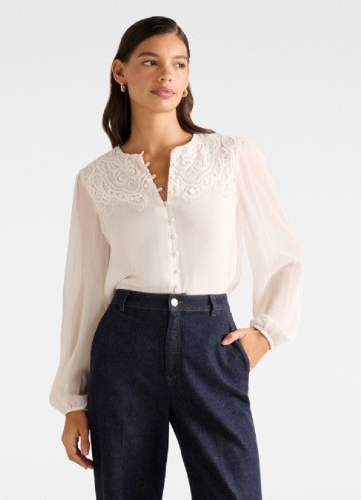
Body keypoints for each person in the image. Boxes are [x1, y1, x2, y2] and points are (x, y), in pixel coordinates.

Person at [49, 15, 304, 500]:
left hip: (212, 339)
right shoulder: (96, 179)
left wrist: (265, 333)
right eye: (150, 62)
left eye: (179, 64)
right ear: (120, 72)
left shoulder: (231, 156)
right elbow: (82, 292)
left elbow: (284, 254)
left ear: (188, 76)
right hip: (124, 344)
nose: (166, 74)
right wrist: (73, 400)